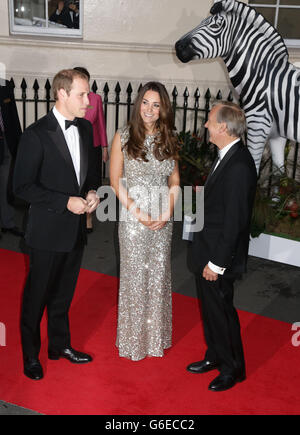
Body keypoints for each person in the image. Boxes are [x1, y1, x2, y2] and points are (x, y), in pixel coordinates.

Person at [13, 69, 100, 380]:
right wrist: (64, 201)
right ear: (62, 94)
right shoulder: (35, 134)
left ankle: (59, 345)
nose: (88, 102)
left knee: (63, 295)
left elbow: (91, 175)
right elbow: (21, 187)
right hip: (46, 233)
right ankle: (30, 356)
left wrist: (91, 192)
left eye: (88, 94)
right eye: (82, 95)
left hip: (75, 232)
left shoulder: (87, 131)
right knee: (36, 298)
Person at [186, 101, 257, 392]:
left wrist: (216, 263)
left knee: (222, 312)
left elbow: (235, 221)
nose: (205, 126)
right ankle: (215, 356)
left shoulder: (239, 164)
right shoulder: (227, 155)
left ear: (223, 128)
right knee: (212, 310)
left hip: (218, 257)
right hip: (210, 250)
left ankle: (232, 369)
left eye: (210, 122)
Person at [110, 82, 180, 361]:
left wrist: (167, 212)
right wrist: (140, 215)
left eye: (156, 104)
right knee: (135, 276)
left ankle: (155, 339)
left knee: (158, 275)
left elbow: (174, 180)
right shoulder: (123, 136)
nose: (149, 109)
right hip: (133, 217)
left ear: (163, 109)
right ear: (138, 104)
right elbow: (115, 181)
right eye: (145, 103)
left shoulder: (170, 137)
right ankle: (133, 341)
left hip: (163, 217)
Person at [73, 67, 109, 233]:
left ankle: (88, 218)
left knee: (91, 180)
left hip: (92, 146)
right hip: (74, 144)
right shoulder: (70, 98)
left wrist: (104, 147)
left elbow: (100, 124)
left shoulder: (96, 99)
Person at [0, 80, 23, 239]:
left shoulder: (5, 85)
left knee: (5, 185)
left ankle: (7, 223)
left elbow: (13, 116)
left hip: (5, 144)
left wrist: (20, 144)